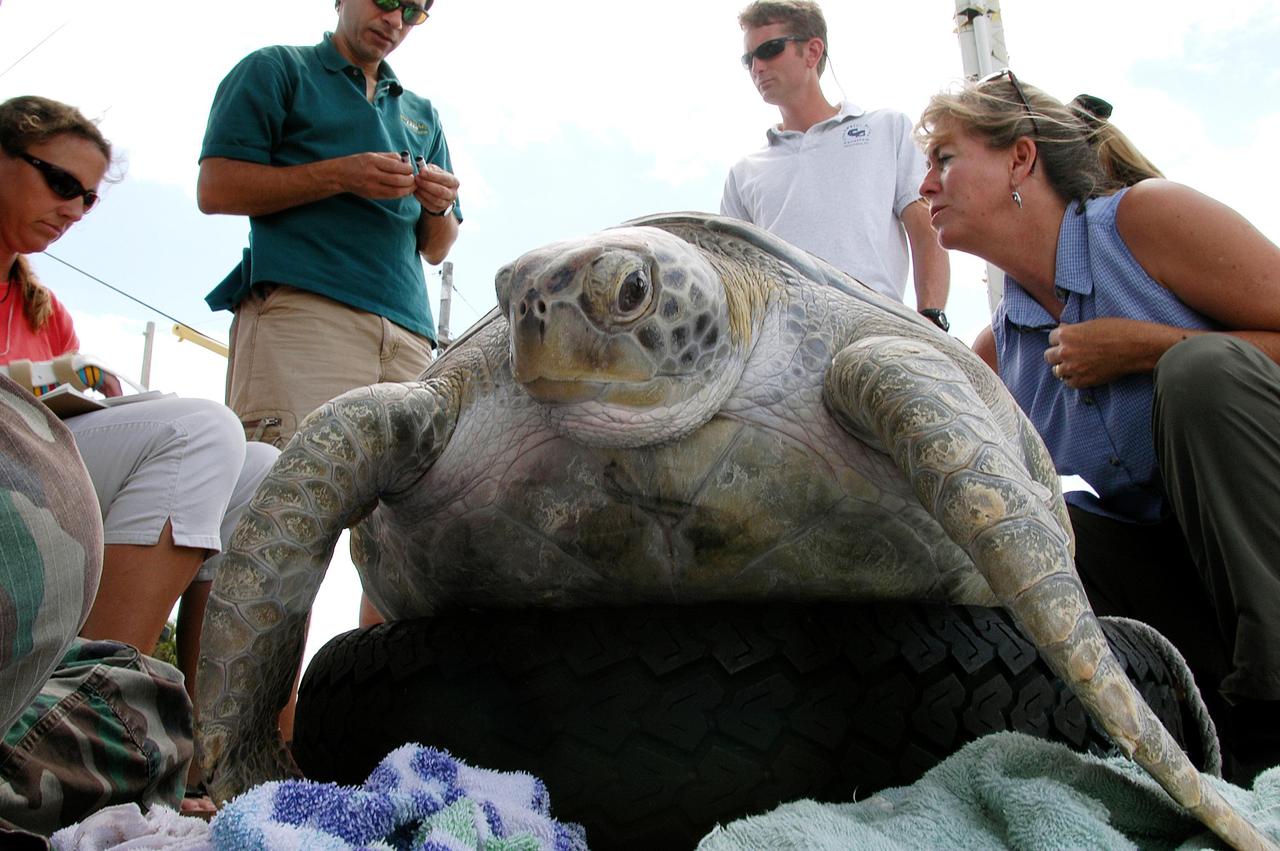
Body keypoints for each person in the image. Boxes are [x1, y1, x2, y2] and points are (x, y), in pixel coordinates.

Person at [916, 72, 1280, 784]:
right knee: (1044, 532)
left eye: (946, 159)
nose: (926, 185)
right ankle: (1194, 731)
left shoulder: (1147, 220)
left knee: (1199, 375)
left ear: (1020, 159)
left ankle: (1273, 702)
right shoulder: (1003, 351)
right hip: (1201, 591)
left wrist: (1148, 345)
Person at [0, 95, 280, 823]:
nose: (74, 209)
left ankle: (198, 746)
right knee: (201, 430)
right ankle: (70, 731)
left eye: (89, 199)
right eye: (61, 183)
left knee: (259, 468)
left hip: (30, 482)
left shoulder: (40, 311)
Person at [197, 0, 462, 451]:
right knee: (283, 498)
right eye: (387, 1)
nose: (396, 21)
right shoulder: (277, 69)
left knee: (404, 519)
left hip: (411, 341)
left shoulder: (424, 114)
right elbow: (215, 189)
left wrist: (438, 206)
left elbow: (437, 248)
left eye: (413, 13)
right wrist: (342, 175)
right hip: (306, 317)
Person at [720, 0, 950, 329]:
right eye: (748, 58)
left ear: (812, 52)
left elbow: (926, 227)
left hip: (877, 330)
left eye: (769, 50)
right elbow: (734, 279)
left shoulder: (887, 129)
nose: (757, 66)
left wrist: (931, 316)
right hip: (785, 349)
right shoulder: (743, 174)